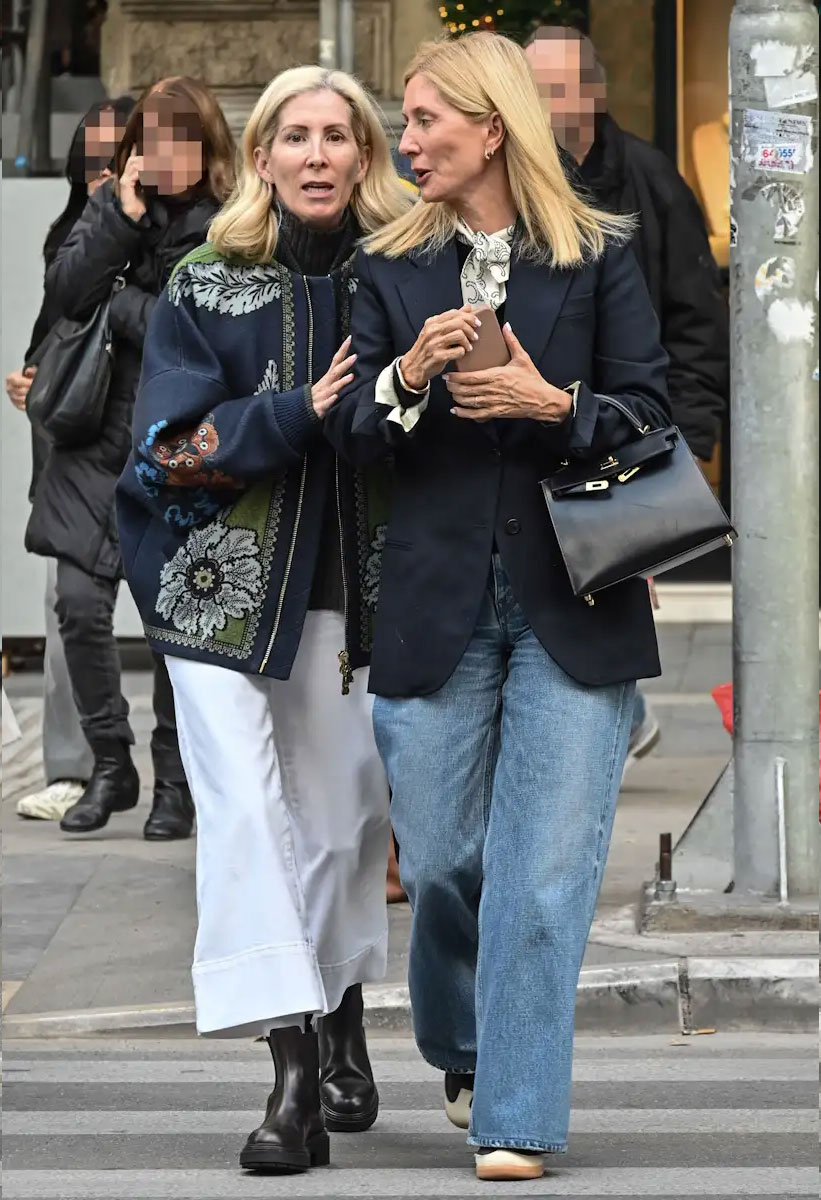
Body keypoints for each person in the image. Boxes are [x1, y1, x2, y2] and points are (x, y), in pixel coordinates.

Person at [325, 32, 671, 1183]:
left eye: (424, 117)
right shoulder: (386, 267)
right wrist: (408, 377)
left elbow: (651, 416)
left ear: (489, 127)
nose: (406, 137)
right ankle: (464, 1043)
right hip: (435, 603)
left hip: (575, 594)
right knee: (440, 859)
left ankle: (513, 1114)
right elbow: (354, 438)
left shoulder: (596, 256)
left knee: (542, 870)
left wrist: (550, 403)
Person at [116, 66, 412, 1175]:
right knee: (244, 811)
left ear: (365, 154)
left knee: (339, 826)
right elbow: (168, 448)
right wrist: (295, 412)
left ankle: (339, 1009)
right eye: (296, 135)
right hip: (215, 590)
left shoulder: (403, 273)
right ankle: (290, 1072)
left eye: (338, 134)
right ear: (262, 156)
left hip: (351, 591)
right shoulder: (207, 279)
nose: (317, 154)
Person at [24, 77, 236, 840]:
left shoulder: (228, 226)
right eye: (153, 138)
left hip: (173, 448)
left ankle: (174, 783)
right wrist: (119, 216)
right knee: (78, 606)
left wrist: (119, 305)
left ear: (207, 150)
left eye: (182, 140)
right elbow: (63, 292)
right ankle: (110, 764)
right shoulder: (112, 206)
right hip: (90, 440)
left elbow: (200, 333)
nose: (166, 153)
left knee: (168, 623)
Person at [525, 26, 730, 778]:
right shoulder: (510, 179)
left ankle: (614, 725)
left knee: (607, 588)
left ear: (592, 93)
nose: (541, 105)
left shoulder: (649, 180)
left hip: (623, 430)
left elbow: (696, 322)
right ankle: (620, 719)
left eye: (552, 88)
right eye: (529, 88)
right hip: (534, 432)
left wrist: (688, 444)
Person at [6, 97, 134, 821]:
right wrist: (35, 382)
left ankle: (180, 780)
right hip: (74, 448)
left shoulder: (168, 234)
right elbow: (51, 338)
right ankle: (74, 767)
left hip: (148, 441)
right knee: (69, 612)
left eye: (116, 155)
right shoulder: (69, 237)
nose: (102, 170)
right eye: (92, 156)